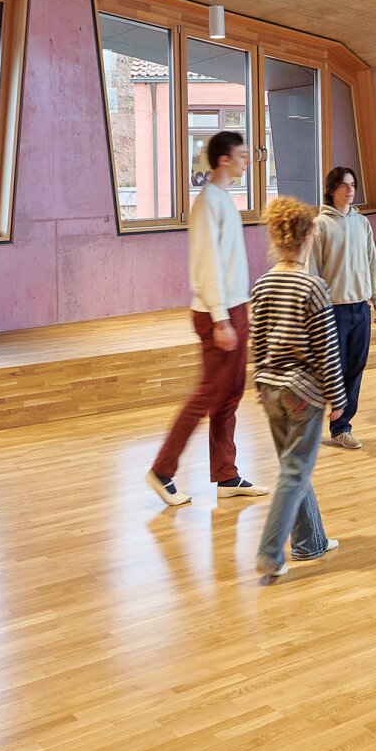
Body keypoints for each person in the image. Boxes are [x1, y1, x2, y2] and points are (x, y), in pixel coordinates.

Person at [145, 131, 266, 507]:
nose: (248, 161)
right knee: (208, 394)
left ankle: (226, 475)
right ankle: (162, 469)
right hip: (219, 312)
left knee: (228, 395)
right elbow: (208, 263)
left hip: (234, 307)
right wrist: (220, 319)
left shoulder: (223, 200)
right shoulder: (207, 204)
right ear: (224, 160)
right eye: (242, 156)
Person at [246, 195, 345, 580]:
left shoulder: (263, 283)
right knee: (294, 472)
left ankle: (310, 542)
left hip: (270, 388)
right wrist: (338, 398)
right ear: (308, 239)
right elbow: (326, 349)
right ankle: (270, 551)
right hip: (303, 392)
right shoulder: (312, 285)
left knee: (293, 468)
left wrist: (259, 386)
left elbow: (257, 341)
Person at [306, 166, 376, 449]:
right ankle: (311, 422)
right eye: (344, 185)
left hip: (360, 306)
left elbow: (372, 261)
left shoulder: (362, 223)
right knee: (330, 368)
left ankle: (341, 427)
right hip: (333, 309)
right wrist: (316, 307)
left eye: (352, 184)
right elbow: (312, 268)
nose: (350, 190)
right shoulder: (320, 225)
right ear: (331, 190)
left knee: (355, 366)